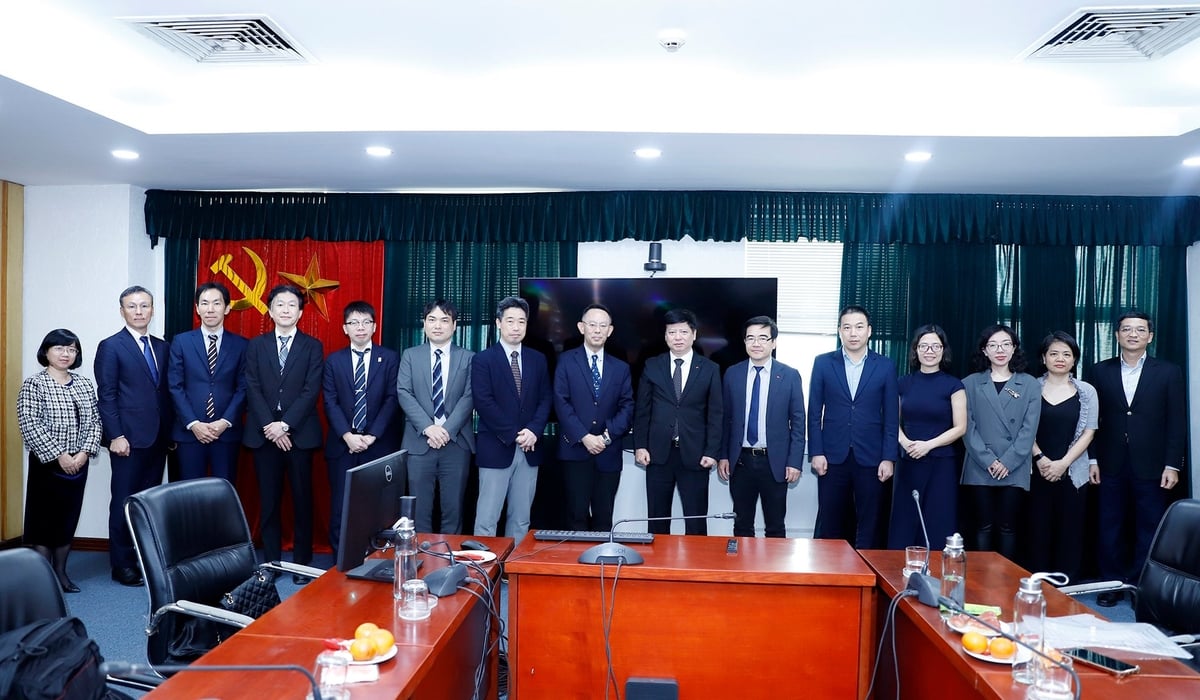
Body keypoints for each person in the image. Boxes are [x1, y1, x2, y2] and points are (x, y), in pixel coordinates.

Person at [1089, 311, 1185, 607]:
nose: (1133, 334)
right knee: (1110, 526)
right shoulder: (1098, 371)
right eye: (1126, 329)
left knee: (1149, 527)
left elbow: (1176, 421)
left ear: (1150, 336)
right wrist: (1092, 459)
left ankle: (1140, 586)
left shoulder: (1169, 372)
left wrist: (1173, 464)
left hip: (1153, 465)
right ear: (1116, 335)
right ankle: (1111, 584)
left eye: (1140, 330)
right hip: (1109, 461)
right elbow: (1089, 419)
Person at [94, 285, 173, 586]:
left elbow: (163, 393)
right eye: (132, 306)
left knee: (147, 502)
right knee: (124, 501)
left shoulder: (162, 346)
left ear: (153, 310)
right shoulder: (111, 346)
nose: (139, 312)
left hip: (158, 439)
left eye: (144, 306)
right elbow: (108, 395)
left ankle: (145, 558)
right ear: (122, 310)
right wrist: (115, 435)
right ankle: (122, 564)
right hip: (127, 439)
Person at [243, 285, 324, 576]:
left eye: (292, 305)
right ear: (270, 310)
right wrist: (271, 427)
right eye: (280, 304)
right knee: (269, 502)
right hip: (264, 436)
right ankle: (272, 562)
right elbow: (251, 386)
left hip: (299, 435)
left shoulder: (313, 346)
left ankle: (302, 564)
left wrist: (285, 425)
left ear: (301, 312)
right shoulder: (256, 345)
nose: (286, 309)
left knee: (302, 501)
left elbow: (310, 389)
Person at [17, 329, 102, 593]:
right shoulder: (34, 384)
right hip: (48, 465)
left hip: (78, 463)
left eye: (71, 349)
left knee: (67, 520)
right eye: (59, 348)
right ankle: (44, 579)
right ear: (46, 351)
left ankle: (61, 573)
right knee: (44, 522)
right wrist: (59, 455)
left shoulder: (84, 384)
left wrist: (84, 453)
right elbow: (29, 423)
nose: (65, 354)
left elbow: (95, 422)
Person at [807, 305, 898, 549]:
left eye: (859, 327)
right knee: (831, 524)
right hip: (832, 456)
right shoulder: (824, 363)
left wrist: (889, 457)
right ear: (839, 331)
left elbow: (891, 416)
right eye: (847, 327)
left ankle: (866, 578)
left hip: (871, 457)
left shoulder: (885, 365)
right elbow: (814, 412)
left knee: (869, 523)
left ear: (869, 331)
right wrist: (816, 452)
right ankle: (832, 578)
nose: (853, 333)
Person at [634, 308, 723, 536]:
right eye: (672, 332)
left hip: (695, 456)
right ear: (665, 336)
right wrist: (640, 445)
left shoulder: (710, 369)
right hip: (658, 454)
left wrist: (712, 451)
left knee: (695, 521)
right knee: (657, 520)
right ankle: (658, 569)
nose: (678, 337)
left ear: (694, 335)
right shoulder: (652, 365)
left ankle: (695, 570)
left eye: (683, 332)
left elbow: (715, 414)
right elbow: (642, 410)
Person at [323, 301, 400, 554]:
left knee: (378, 505)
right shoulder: (334, 361)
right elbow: (330, 401)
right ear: (345, 328)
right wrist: (347, 435)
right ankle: (340, 558)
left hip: (377, 445)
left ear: (375, 326)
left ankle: (376, 556)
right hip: (343, 445)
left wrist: (371, 436)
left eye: (366, 322)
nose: (360, 328)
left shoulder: (388, 358)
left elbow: (391, 399)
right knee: (341, 505)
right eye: (354, 323)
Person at [472, 296, 551, 544]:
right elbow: (483, 403)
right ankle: (483, 577)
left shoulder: (538, 359)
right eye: (510, 321)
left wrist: (534, 431)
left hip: (530, 447)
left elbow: (546, 398)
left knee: (521, 519)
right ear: (498, 323)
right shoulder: (483, 360)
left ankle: (511, 576)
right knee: (487, 519)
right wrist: (515, 434)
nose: (516, 327)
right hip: (497, 447)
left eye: (521, 321)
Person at [717, 316, 805, 538]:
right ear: (744, 342)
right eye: (751, 338)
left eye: (763, 338)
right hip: (741, 461)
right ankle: (743, 572)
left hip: (774, 462)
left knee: (775, 526)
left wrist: (795, 462)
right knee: (741, 525)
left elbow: (798, 422)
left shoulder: (789, 375)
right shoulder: (732, 374)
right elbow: (725, 418)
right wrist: (723, 456)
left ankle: (774, 573)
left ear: (773, 342)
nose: (756, 343)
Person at [960, 324, 1041, 560]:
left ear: (1014, 348)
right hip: (979, 464)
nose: (1000, 350)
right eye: (993, 345)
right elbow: (968, 426)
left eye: (1006, 344)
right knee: (982, 526)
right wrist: (988, 460)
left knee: (1008, 527)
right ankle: (980, 581)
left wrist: (1008, 461)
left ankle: (1006, 582)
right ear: (984, 351)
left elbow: (1029, 428)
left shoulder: (1029, 384)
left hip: (1014, 465)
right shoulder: (970, 383)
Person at [553, 304, 635, 531]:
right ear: (582, 327)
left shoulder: (620, 367)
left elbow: (627, 406)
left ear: (610, 330)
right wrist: (584, 436)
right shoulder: (566, 361)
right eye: (592, 325)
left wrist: (606, 437)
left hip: (608, 453)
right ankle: (576, 566)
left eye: (603, 326)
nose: (597, 330)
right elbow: (561, 402)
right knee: (575, 514)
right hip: (575, 451)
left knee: (604, 516)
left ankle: (601, 565)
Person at [397, 300, 475, 534]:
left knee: (453, 511)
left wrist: (446, 430)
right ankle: (420, 564)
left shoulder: (469, 357)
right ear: (424, 324)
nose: (437, 326)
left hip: (456, 443)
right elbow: (404, 392)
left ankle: (450, 567)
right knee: (418, 512)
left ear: (454, 326)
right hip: (419, 443)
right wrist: (429, 428)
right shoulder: (410, 355)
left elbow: (470, 396)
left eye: (444, 320)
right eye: (432, 320)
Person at [1026, 331, 1097, 580]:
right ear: (1044, 358)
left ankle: (1069, 586)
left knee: (1071, 530)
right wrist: (1041, 458)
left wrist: (1064, 463)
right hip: (1037, 469)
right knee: (1038, 528)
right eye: (1053, 353)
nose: (1060, 358)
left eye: (1066, 354)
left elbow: (1089, 431)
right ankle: (1038, 583)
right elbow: (1021, 429)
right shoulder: (1029, 387)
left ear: (1074, 359)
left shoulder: (1086, 391)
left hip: (1073, 470)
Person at [888, 324, 966, 550]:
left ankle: (937, 580)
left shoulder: (954, 385)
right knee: (905, 520)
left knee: (938, 520)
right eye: (924, 346)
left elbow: (960, 427)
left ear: (943, 350)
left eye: (935, 346)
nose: (929, 351)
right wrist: (905, 442)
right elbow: (893, 419)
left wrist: (928, 446)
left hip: (942, 463)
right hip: (909, 460)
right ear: (916, 350)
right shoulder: (902, 383)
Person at [167, 282, 248, 482]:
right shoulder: (181, 341)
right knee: (190, 494)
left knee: (225, 492)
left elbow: (244, 387)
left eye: (216, 303)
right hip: (190, 433)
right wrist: (194, 423)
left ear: (227, 308)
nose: (210, 309)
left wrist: (224, 421)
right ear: (197, 308)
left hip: (226, 432)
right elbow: (175, 386)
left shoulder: (242, 344)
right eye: (204, 303)